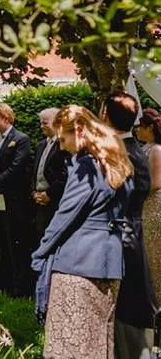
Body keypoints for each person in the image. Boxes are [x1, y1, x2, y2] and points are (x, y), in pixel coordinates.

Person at [32, 105, 134, 359]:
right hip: (110, 263)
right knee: (98, 342)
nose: (62, 146)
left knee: (69, 344)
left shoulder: (86, 167)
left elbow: (65, 215)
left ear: (78, 131)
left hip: (77, 265)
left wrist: (40, 253)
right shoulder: (116, 161)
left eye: (63, 139)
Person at [101, 91, 155, 359]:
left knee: (129, 305)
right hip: (120, 236)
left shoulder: (127, 153)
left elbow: (137, 192)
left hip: (123, 239)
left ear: (105, 116)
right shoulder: (123, 149)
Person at [0, 103, 32, 297]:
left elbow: (17, 167)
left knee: (14, 241)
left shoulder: (21, 139)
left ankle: (18, 287)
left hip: (11, 198)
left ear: (6, 118)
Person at [31, 107, 68, 246]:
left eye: (45, 123)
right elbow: (35, 171)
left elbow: (64, 175)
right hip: (39, 200)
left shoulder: (62, 144)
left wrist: (49, 194)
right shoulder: (42, 144)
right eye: (41, 123)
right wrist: (34, 192)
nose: (42, 126)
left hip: (55, 200)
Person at [137, 107, 161, 308]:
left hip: (153, 207)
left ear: (150, 128)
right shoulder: (145, 147)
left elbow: (155, 183)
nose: (137, 130)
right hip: (144, 206)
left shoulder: (157, 150)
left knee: (154, 254)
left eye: (140, 127)